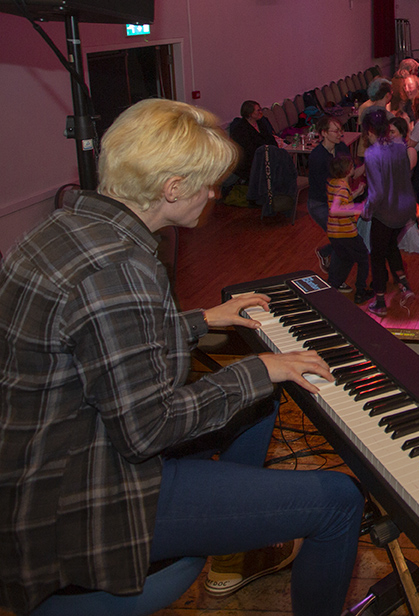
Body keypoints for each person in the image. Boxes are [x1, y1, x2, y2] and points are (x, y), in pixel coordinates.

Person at [0, 99, 363, 616]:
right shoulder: (120, 271)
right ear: (172, 189)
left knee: (259, 407)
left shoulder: (63, 230)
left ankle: (235, 551)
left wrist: (202, 319)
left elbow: (101, 343)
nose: (215, 194)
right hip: (87, 504)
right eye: (209, 184)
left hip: (58, 462)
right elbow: (147, 429)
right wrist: (258, 367)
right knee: (338, 502)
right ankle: (239, 539)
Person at [362, 108, 417, 317]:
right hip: (405, 210)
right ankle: (404, 285)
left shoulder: (372, 153)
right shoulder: (400, 147)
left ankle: (379, 302)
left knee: (376, 255)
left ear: (368, 130)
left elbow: (376, 194)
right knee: (391, 246)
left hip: (386, 213)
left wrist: (365, 212)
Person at [326, 155, 373, 304]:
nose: (354, 168)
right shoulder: (342, 187)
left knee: (344, 259)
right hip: (346, 232)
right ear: (347, 171)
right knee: (363, 259)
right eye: (352, 166)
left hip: (334, 233)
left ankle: (330, 288)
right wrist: (358, 207)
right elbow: (335, 209)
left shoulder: (334, 183)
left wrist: (357, 193)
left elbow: (339, 201)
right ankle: (360, 292)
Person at [308, 117, 351, 276]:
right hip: (320, 204)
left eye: (341, 130)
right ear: (324, 133)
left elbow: (347, 172)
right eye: (336, 131)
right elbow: (324, 187)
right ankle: (335, 281)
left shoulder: (341, 147)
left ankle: (326, 253)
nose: (340, 134)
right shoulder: (317, 157)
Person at [228, 100, 282, 183]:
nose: (261, 112)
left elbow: (270, 139)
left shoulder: (261, 123)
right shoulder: (240, 129)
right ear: (250, 113)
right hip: (251, 163)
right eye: (258, 110)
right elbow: (248, 151)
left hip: (264, 157)